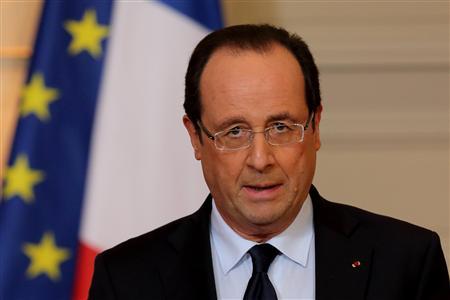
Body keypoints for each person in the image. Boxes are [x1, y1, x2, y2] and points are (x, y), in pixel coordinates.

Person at [88, 24, 449, 300]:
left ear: (316, 126)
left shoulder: (406, 263)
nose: (260, 160)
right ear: (196, 137)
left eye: (281, 126)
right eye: (234, 132)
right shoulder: (126, 279)